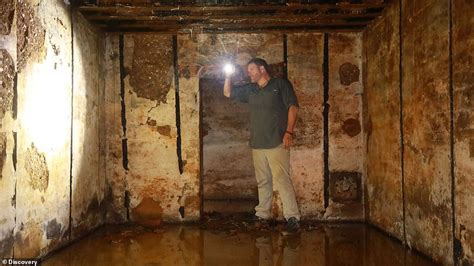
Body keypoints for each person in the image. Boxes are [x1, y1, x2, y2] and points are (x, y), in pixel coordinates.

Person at [223, 58, 301, 234]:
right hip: (257, 143)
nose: (247, 72)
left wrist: (289, 132)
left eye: (250, 69)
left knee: (282, 179)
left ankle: (292, 218)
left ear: (261, 68)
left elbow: (293, 107)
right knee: (263, 180)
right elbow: (227, 93)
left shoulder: (279, 84)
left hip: (277, 141)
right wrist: (227, 75)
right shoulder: (251, 90)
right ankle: (262, 215)